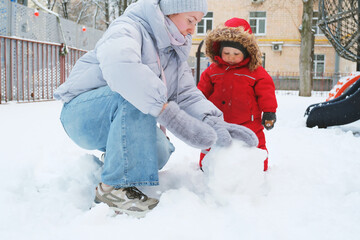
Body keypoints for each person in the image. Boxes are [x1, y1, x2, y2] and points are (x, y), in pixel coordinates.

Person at [54, 1, 259, 217]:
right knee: (135, 94)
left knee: (159, 153)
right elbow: (124, 72)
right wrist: (168, 113)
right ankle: (112, 188)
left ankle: (116, 159)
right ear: (170, 11)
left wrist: (214, 122)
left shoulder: (173, 51)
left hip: (118, 112)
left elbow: (187, 94)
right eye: (190, 20)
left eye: (197, 23)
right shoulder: (128, 28)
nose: (192, 29)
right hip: (82, 115)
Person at [198, 18, 278, 172]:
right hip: (218, 120)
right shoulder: (213, 70)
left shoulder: (255, 72)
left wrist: (269, 112)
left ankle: (260, 166)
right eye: (226, 52)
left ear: (247, 52)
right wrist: (198, 108)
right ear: (218, 50)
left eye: (236, 53)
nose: (231, 57)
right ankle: (206, 165)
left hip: (248, 121)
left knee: (255, 142)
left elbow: (266, 91)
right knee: (211, 140)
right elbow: (202, 91)